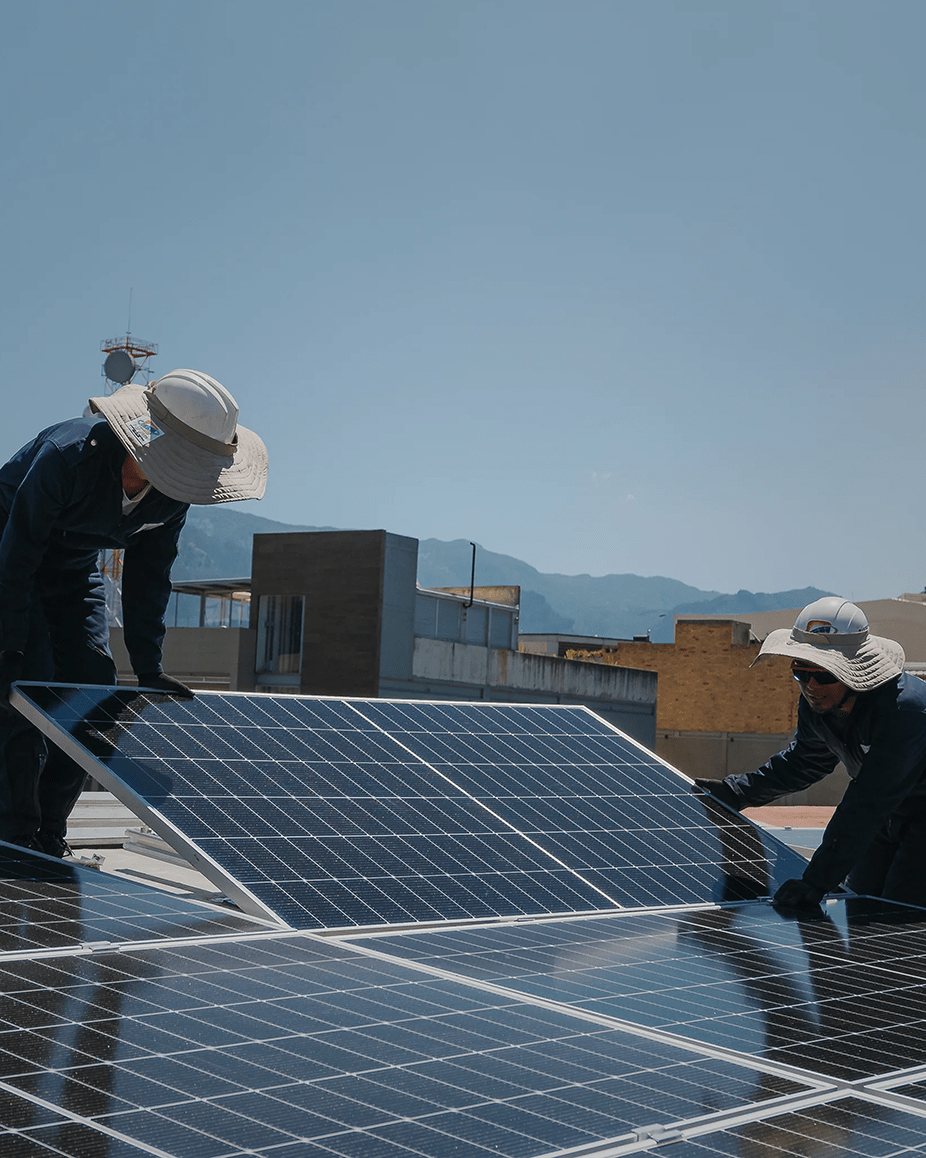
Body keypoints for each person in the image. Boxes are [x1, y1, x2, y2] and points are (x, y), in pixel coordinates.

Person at [0, 369, 268, 855]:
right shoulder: (67, 455)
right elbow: (17, 556)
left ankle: (49, 834)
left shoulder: (173, 496)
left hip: (74, 570)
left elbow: (150, 574)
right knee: (27, 686)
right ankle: (13, 836)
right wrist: (9, 644)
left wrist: (149, 665)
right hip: (9, 554)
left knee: (93, 687)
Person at [696, 597, 926, 910]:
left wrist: (817, 880)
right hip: (887, 814)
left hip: (905, 812)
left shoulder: (907, 712)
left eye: (824, 674)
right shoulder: (818, 704)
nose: (811, 685)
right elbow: (805, 761)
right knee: (860, 904)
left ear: (854, 669)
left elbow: (867, 802)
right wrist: (737, 792)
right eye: (800, 672)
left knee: (899, 915)